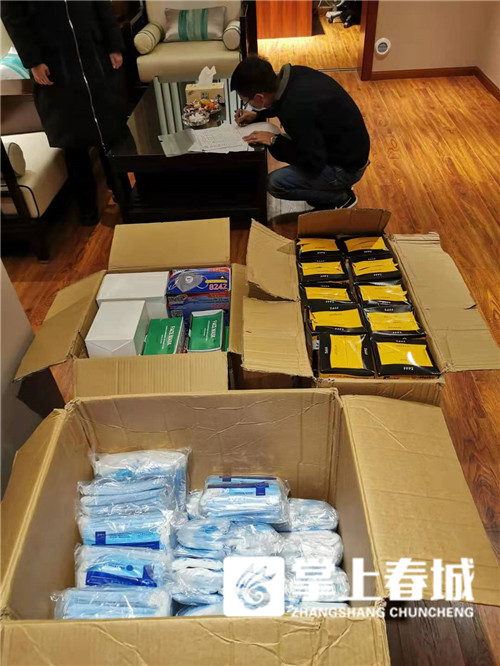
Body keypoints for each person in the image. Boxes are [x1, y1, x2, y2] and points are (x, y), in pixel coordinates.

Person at [2, 0, 127, 225]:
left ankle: (123, 193)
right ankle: (87, 207)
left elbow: (102, 5)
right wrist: (33, 60)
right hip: (54, 64)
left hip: (94, 55)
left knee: (109, 129)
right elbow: (13, 18)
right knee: (73, 139)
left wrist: (113, 45)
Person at [231, 56, 370, 210]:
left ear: (259, 97)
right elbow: (280, 103)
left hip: (346, 167)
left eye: (247, 101)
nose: (248, 105)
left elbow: (313, 162)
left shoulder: (296, 109)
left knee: (275, 183)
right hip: (349, 150)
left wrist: (274, 141)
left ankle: (341, 197)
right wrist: (258, 115)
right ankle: (327, 189)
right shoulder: (294, 75)